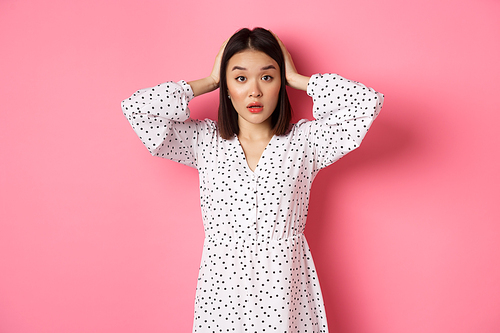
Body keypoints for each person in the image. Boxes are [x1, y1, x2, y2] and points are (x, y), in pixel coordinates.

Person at [122, 27, 383, 333]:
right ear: (228, 86)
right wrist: (209, 81)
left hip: (284, 288)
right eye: (241, 78)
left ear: (280, 83)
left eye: (268, 77)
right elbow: (137, 109)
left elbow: (365, 103)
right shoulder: (203, 141)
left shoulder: (306, 142)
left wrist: (299, 79)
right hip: (222, 293)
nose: (254, 91)